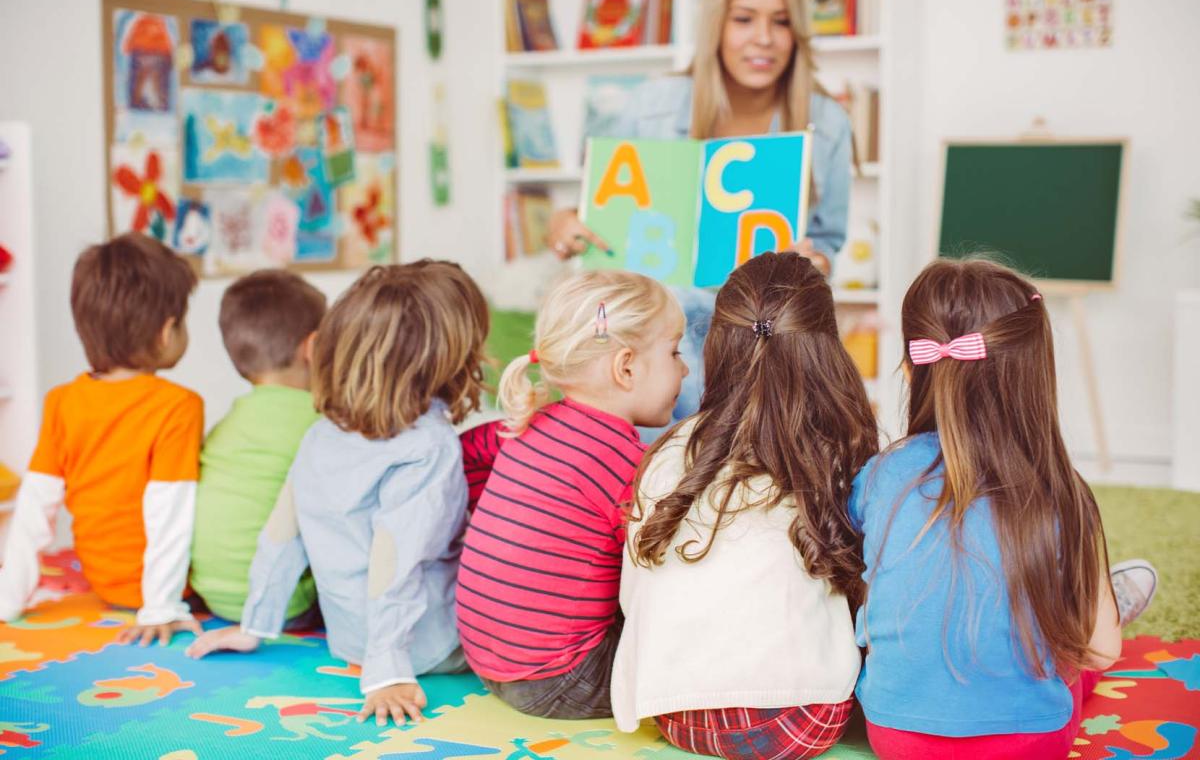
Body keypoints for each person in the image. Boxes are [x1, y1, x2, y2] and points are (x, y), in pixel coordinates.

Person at [850, 258, 1158, 760]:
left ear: (910, 367)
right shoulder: (1061, 490)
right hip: (1030, 744)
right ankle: (1109, 602)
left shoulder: (882, 474)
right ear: (1037, 374)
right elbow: (1102, 652)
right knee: (1073, 652)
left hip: (896, 739)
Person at [187, 261, 491, 728]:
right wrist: (386, 669)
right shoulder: (429, 446)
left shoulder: (323, 432)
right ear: (448, 359)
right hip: (422, 646)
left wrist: (256, 622)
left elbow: (282, 530)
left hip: (348, 636)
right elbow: (396, 559)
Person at [548, 0, 853, 423]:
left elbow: (828, 241)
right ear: (716, 24)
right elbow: (599, 206)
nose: (764, 38)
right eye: (744, 19)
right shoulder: (652, 105)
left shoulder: (828, 122)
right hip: (649, 353)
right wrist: (565, 223)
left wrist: (815, 263)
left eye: (782, 21)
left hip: (760, 348)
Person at [612, 252, 876, 759]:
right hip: (804, 718)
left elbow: (634, 595)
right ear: (826, 348)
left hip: (677, 713)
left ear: (718, 344)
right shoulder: (838, 448)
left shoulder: (669, 450)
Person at [455, 270, 688, 719]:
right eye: (675, 352)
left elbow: (463, 455)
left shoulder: (522, 425)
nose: (685, 368)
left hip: (486, 660)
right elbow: (670, 564)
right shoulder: (623, 463)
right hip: (561, 680)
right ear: (625, 367)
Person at [0, 233, 203, 647]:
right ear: (167, 332)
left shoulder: (62, 402)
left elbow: (36, 508)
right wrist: (160, 605)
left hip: (104, 582)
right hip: (162, 590)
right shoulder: (178, 406)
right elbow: (171, 508)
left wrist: (8, 597)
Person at [189, 269, 326, 626]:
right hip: (287, 605)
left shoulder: (227, 424)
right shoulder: (320, 422)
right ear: (313, 348)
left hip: (213, 594)